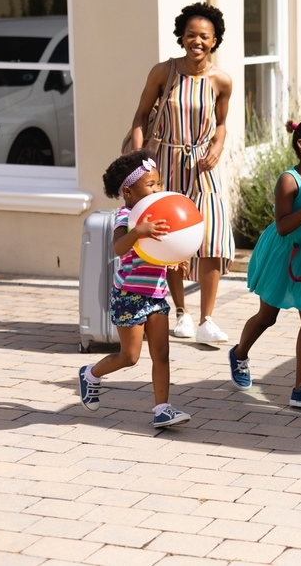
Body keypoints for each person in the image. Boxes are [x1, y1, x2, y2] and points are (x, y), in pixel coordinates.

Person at [127, 2, 235, 344]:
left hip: (203, 168)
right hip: (166, 165)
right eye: (191, 35)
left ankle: (207, 319)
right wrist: (145, 161)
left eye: (204, 36)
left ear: (215, 40)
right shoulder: (163, 72)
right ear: (182, 37)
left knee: (212, 241)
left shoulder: (221, 80)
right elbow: (140, 117)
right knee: (171, 241)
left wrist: (217, 147)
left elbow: (221, 124)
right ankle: (181, 313)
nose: (197, 41)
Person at [228, 118, 301, 409]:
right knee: (267, 316)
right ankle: (239, 355)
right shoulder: (288, 180)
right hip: (283, 253)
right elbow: (283, 226)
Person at [79, 150, 192, 428]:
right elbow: (118, 247)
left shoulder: (159, 213)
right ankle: (90, 374)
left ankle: (162, 408)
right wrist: (139, 231)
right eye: (151, 185)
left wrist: (176, 260)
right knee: (129, 356)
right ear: (128, 191)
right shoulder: (127, 216)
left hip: (155, 294)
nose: (158, 189)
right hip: (129, 295)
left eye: (159, 183)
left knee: (161, 354)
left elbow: (164, 249)